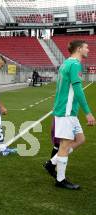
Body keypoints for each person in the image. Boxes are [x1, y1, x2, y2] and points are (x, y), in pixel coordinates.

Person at [43, 40, 95, 189]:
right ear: (79, 49)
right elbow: (78, 90)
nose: (88, 50)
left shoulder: (66, 63)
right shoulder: (74, 65)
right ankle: (60, 180)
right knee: (64, 146)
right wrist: (88, 112)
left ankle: (51, 163)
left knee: (80, 139)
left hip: (67, 111)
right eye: (86, 48)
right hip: (66, 112)